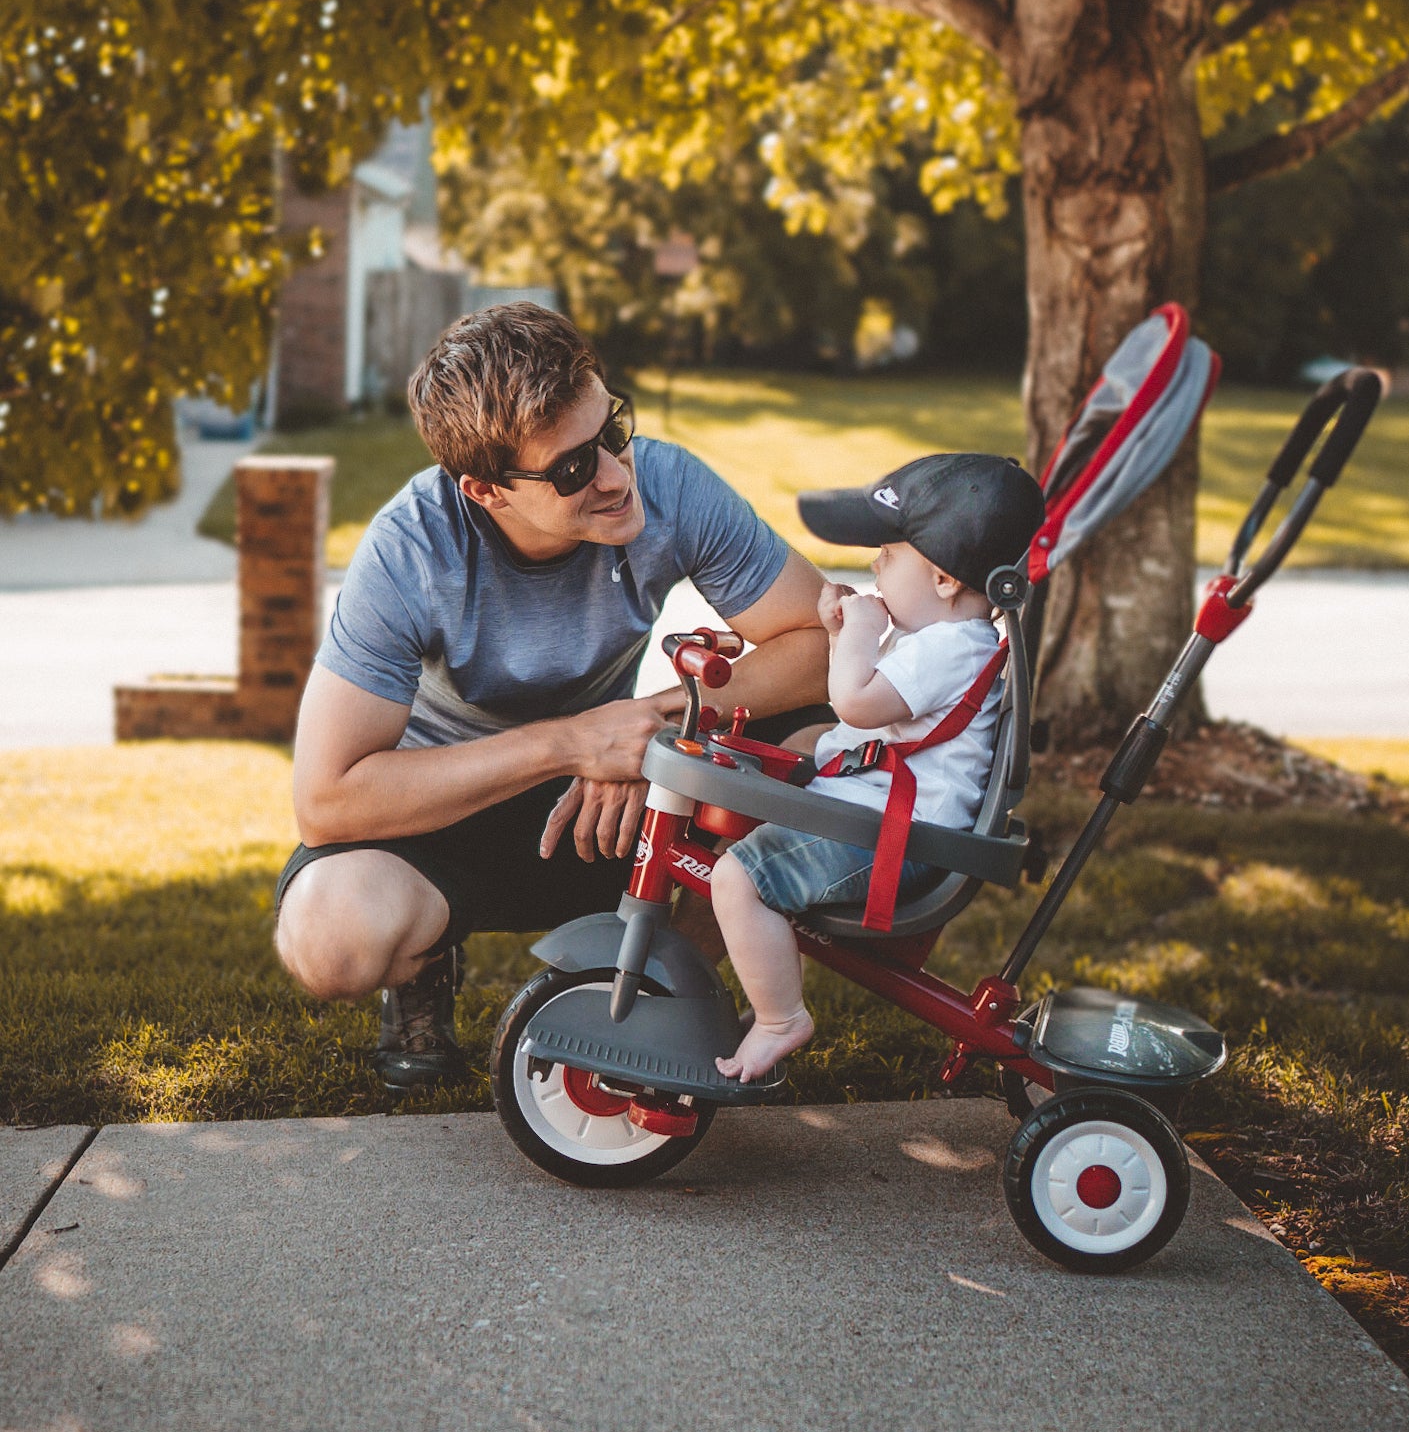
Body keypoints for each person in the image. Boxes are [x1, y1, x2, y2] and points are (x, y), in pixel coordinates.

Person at [274, 303, 829, 1091]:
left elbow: (822, 642)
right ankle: (425, 965)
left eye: (613, 430)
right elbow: (325, 800)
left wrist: (658, 733)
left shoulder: (667, 485)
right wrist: (570, 742)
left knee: (814, 757)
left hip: (610, 808)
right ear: (485, 489)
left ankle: (658, 993)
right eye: (572, 468)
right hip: (445, 807)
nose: (614, 473)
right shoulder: (409, 548)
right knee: (331, 942)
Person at [711, 452, 1043, 1084]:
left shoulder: (950, 647)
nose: (875, 565)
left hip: (903, 837)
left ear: (944, 580)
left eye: (889, 553)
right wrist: (845, 638)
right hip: (890, 815)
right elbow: (872, 702)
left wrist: (858, 632)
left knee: (738, 879)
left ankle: (780, 1018)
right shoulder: (945, 641)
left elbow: (856, 704)